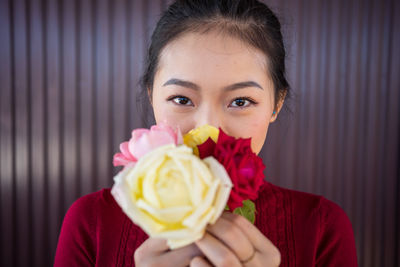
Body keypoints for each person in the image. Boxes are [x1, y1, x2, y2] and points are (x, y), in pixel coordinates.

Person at [54, 0, 358, 266]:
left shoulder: (321, 227)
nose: (208, 131)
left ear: (276, 105)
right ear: (151, 96)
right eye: (182, 100)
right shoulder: (91, 221)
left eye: (241, 102)